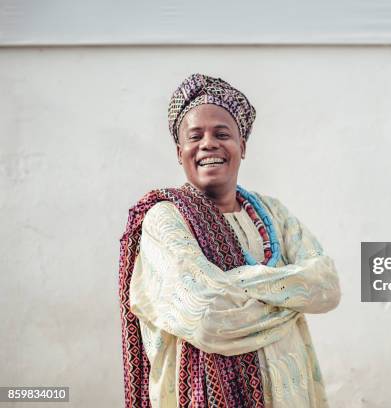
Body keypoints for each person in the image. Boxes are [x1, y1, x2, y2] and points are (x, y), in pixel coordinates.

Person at [118, 73, 341, 408]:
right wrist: (290, 299)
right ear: (180, 152)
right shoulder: (165, 220)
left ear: (243, 147)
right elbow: (208, 316)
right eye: (196, 136)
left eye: (223, 134)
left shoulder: (273, 213)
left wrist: (233, 285)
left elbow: (326, 286)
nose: (209, 143)